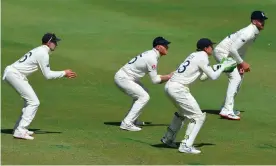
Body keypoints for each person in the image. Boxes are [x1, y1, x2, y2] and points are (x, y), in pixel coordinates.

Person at [161, 38, 237, 154]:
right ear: (206, 48)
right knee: (198, 117)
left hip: (170, 86)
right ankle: (186, 145)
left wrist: (218, 67)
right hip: (178, 89)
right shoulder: (203, 57)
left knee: (182, 113)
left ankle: (168, 139)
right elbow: (213, 77)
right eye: (211, 46)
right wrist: (222, 66)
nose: (212, 48)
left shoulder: (194, 55)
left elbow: (202, 77)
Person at [2, 33, 77, 140]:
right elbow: (48, 75)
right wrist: (64, 73)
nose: (56, 44)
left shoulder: (40, 50)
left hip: (14, 73)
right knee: (34, 102)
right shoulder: (43, 53)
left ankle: (18, 128)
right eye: (55, 42)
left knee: (29, 101)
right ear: (49, 43)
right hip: (14, 75)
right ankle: (20, 131)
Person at [210, 10, 268, 120]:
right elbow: (232, 49)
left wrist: (239, 64)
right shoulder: (248, 32)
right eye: (260, 20)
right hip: (222, 52)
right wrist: (242, 63)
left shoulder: (254, 31)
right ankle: (227, 110)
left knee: (239, 77)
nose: (263, 23)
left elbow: (241, 50)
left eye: (263, 20)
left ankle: (226, 107)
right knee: (235, 77)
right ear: (254, 21)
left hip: (230, 55)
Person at [114, 36, 172, 131]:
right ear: (158, 47)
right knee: (143, 97)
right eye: (164, 45)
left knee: (144, 92)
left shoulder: (152, 54)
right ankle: (127, 123)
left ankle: (133, 120)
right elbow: (155, 80)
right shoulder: (152, 58)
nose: (167, 47)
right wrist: (169, 76)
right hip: (124, 78)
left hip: (127, 77)